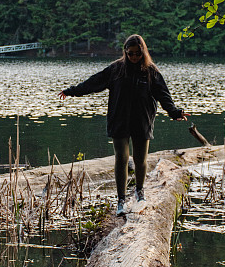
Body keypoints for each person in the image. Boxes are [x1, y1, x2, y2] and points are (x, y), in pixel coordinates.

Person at [59, 34, 187, 216]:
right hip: (119, 119)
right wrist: (72, 91)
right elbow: (93, 83)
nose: (134, 57)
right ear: (125, 52)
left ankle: (139, 192)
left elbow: (163, 95)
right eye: (130, 54)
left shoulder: (151, 72)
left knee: (140, 159)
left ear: (143, 52)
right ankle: (120, 199)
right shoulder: (116, 69)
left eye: (137, 54)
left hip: (142, 119)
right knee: (121, 158)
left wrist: (175, 112)